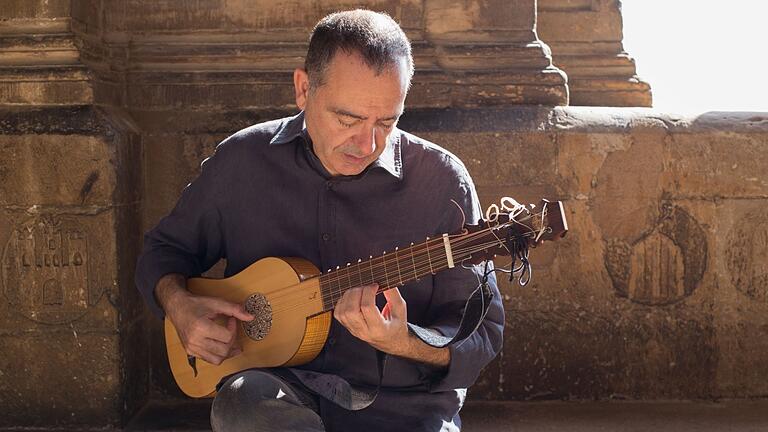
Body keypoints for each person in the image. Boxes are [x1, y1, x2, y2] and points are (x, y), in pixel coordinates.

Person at [135, 9, 504, 432]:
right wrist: (179, 305)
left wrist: (406, 343)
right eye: (347, 119)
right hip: (277, 390)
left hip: (402, 406)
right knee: (242, 405)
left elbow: (484, 335)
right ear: (303, 88)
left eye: (387, 121)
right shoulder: (243, 162)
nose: (367, 143)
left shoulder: (441, 182)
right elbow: (163, 253)